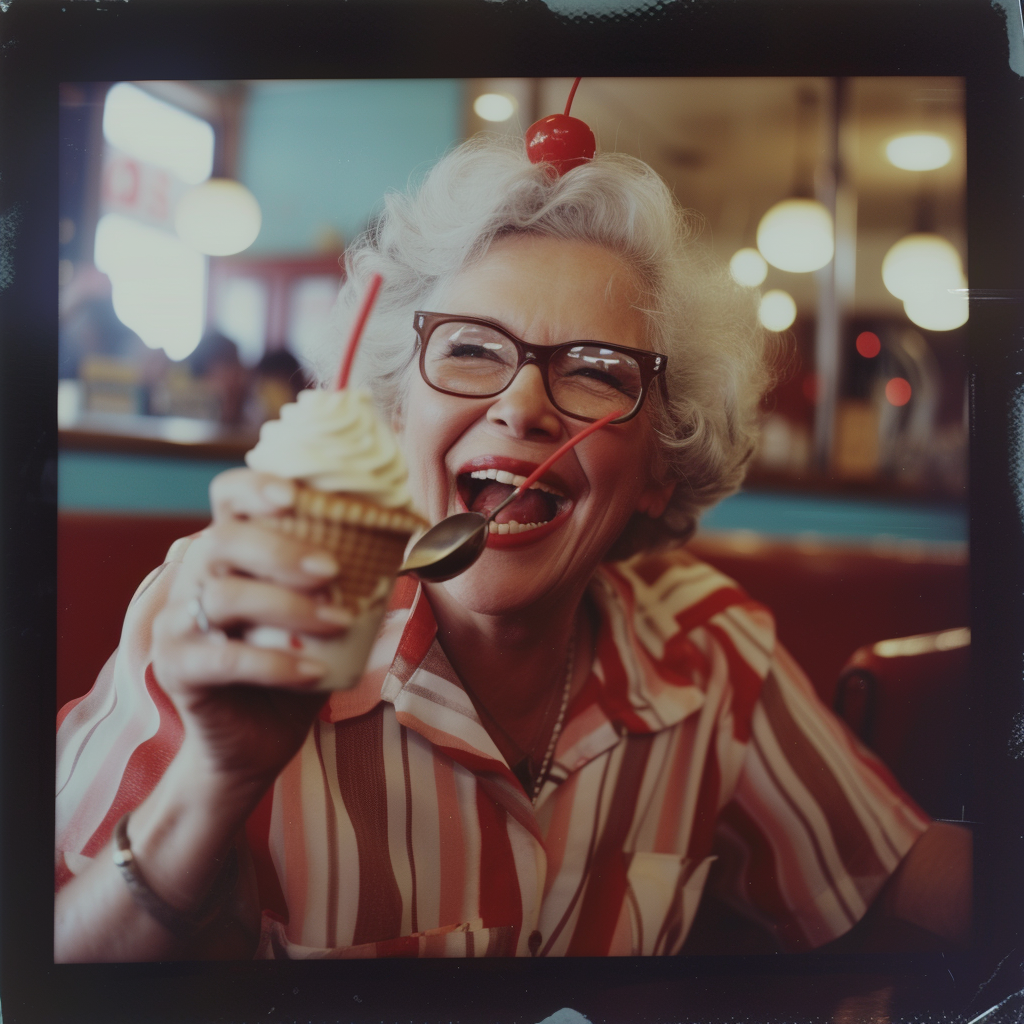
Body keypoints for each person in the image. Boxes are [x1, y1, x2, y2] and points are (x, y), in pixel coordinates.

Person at [54, 139, 970, 961]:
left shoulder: (707, 647)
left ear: (659, 465)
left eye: (595, 370)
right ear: (394, 414)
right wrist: (215, 783)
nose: (523, 405)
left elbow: (905, 875)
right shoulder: (228, 609)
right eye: (470, 350)